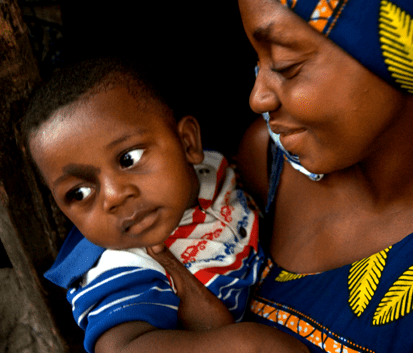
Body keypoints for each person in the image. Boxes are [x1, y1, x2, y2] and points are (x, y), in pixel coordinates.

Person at [234, 0, 413, 352]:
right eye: (257, 60)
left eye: (285, 65)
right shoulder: (266, 158)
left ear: (399, 55)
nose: (259, 97)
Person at [21, 58, 309, 353]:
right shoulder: (124, 267)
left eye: (128, 159)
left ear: (187, 144)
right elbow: (121, 347)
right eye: (79, 192)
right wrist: (246, 344)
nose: (113, 196)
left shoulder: (213, 170)